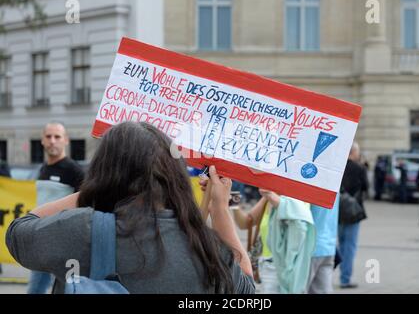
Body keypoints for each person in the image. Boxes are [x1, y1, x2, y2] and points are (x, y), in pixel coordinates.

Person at [7, 121, 255, 294]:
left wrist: (94, 191)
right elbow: (247, 292)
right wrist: (220, 210)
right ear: (174, 174)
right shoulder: (205, 246)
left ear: (103, 170)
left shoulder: (83, 230)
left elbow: (18, 233)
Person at [25, 121, 85, 294]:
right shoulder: (43, 168)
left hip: (66, 244)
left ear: (65, 140)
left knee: (67, 290)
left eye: (57, 136)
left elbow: (84, 207)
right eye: (48, 136)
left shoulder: (75, 171)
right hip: (40, 240)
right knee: (35, 290)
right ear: (42, 140)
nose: (52, 141)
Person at [338, 142, 368, 289]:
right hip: (354, 211)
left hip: (338, 211)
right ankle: (345, 279)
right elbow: (366, 187)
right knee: (350, 246)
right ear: (353, 152)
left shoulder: (338, 167)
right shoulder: (359, 168)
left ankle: (330, 272)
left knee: (340, 243)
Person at [307, 194, 339, 294]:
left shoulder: (311, 182)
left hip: (309, 247)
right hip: (328, 246)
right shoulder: (334, 184)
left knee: (297, 289)